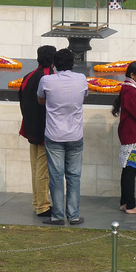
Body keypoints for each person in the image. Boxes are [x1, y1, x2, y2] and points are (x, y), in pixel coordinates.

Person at [37, 48, 88, 225]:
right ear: (73, 64)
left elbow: (41, 100)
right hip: (75, 134)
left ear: (54, 64)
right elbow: (83, 98)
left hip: (54, 135)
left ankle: (58, 215)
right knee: (74, 176)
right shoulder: (81, 79)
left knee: (56, 177)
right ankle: (73, 215)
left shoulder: (47, 80)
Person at [18, 45, 57, 219]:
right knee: (43, 171)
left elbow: (21, 101)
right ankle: (43, 206)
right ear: (53, 59)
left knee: (36, 169)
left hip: (31, 127)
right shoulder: (50, 78)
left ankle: (37, 203)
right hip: (44, 130)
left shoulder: (28, 76)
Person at [111, 61, 136, 214]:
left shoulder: (130, 88)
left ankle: (125, 202)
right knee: (130, 170)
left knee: (128, 169)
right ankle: (131, 205)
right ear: (132, 75)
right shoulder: (131, 90)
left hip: (132, 134)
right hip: (133, 135)